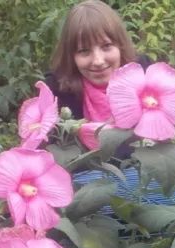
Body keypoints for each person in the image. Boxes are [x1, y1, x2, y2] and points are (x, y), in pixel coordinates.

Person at [43, 0, 155, 163]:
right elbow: (54, 155)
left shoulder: (144, 71)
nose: (97, 61)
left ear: (120, 46)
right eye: (84, 51)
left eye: (106, 46)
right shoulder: (58, 88)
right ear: (71, 56)